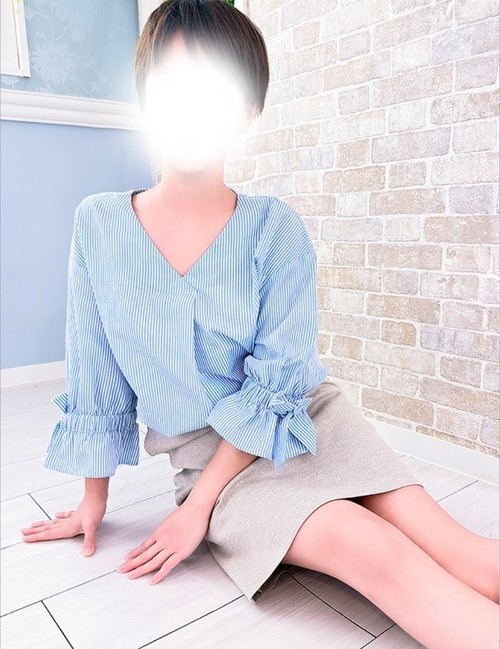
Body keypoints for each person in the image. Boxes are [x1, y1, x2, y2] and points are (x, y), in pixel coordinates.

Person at [21, 2, 499, 647]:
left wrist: (194, 513)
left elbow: (282, 379)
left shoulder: (276, 229)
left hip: (309, 421)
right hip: (213, 468)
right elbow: (96, 372)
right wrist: (95, 500)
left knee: (464, 553)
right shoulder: (99, 224)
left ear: (246, 110)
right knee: (374, 549)